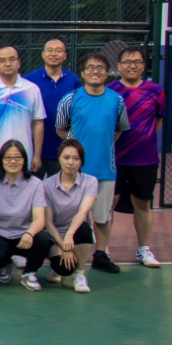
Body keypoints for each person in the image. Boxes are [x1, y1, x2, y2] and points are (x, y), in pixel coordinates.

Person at [55, 52, 129, 275]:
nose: (95, 71)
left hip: (105, 170)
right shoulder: (70, 99)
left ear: (107, 73)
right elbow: (61, 129)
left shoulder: (117, 100)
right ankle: (66, 254)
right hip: (74, 172)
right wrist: (75, 152)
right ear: (83, 72)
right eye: (90, 67)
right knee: (70, 216)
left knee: (103, 216)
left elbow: (119, 130)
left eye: (100, 68)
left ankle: (101, 254)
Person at [0, 139, 52, 291]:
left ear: (24, 160)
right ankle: (6, 264)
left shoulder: (35, 183)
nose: (13, 161)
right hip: (1, 234)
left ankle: (29, 273)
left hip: (26, 235)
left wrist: (29, 233)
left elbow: (39, 218)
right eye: (8, 157)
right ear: (1, 160)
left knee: (43, 241)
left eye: (17, 157)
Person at [108, 46, 164, 269]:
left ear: (143, 66)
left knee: (143, 204)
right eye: (127, 62)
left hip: (145, 160)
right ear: (119, 66)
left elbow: (158, 120)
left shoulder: (155, 91)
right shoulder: (110, 91)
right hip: (114, 161)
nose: (132, 66)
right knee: (108, 205)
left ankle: (144, 249)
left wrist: (143, 140)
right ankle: (103, 249)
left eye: (137, 62)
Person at [0, 45, 45, 195]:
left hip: (23, 160)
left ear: (19, 63)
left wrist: (36, 155)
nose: (7, 63)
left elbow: (38, 123)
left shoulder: (32, 90)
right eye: (2, 60)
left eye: (12, 59)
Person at [40, 138, 97, 294]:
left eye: (76, 158)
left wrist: (70, 235)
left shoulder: (90, 182)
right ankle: (55, 268)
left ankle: (80, 274)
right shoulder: (46, 185)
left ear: (81, 161)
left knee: (85, 229)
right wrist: (63, 245)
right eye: (66, 157)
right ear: (59, 158)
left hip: (75, 231)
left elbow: (82, 212)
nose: (71, 162)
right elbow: (48, 222)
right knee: (64, 268)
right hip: (55, 234)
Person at [26, 37, 80, 178]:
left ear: (65, 55)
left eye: (58, 50)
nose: (54, 54)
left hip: (64, 148)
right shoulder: (30, 80)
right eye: (50, 50)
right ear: (43, 54)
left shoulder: (73, 80)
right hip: (35, 149)